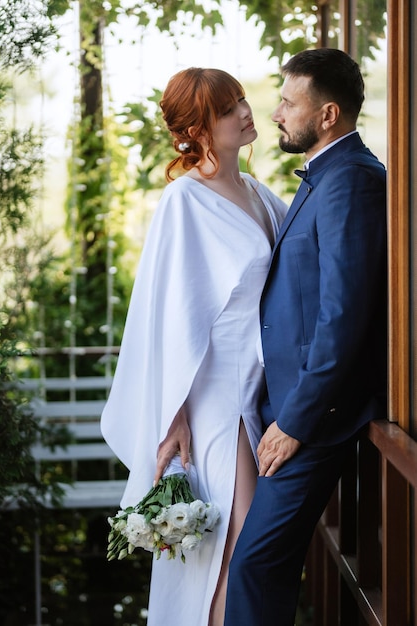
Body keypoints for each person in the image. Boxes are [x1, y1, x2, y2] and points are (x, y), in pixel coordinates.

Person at [100, 67, 288, 626]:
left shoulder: (255, 191)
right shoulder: (184, 201)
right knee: (240, 545)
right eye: (230, 109)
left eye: (243, 101)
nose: (247, 113)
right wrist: (175, 415)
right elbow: (170, 316)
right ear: (198, 129)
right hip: (213, 399)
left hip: (256, 391)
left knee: (233, 550)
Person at [224, 48, 387, 626]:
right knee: (259, 565)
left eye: (289, 103)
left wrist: (296, 421)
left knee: (254, 567)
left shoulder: (352, 182)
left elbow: (343, 316)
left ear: (328, 115)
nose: (276, 115)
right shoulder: (325, 175)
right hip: (290, 407)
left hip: (316, 417)